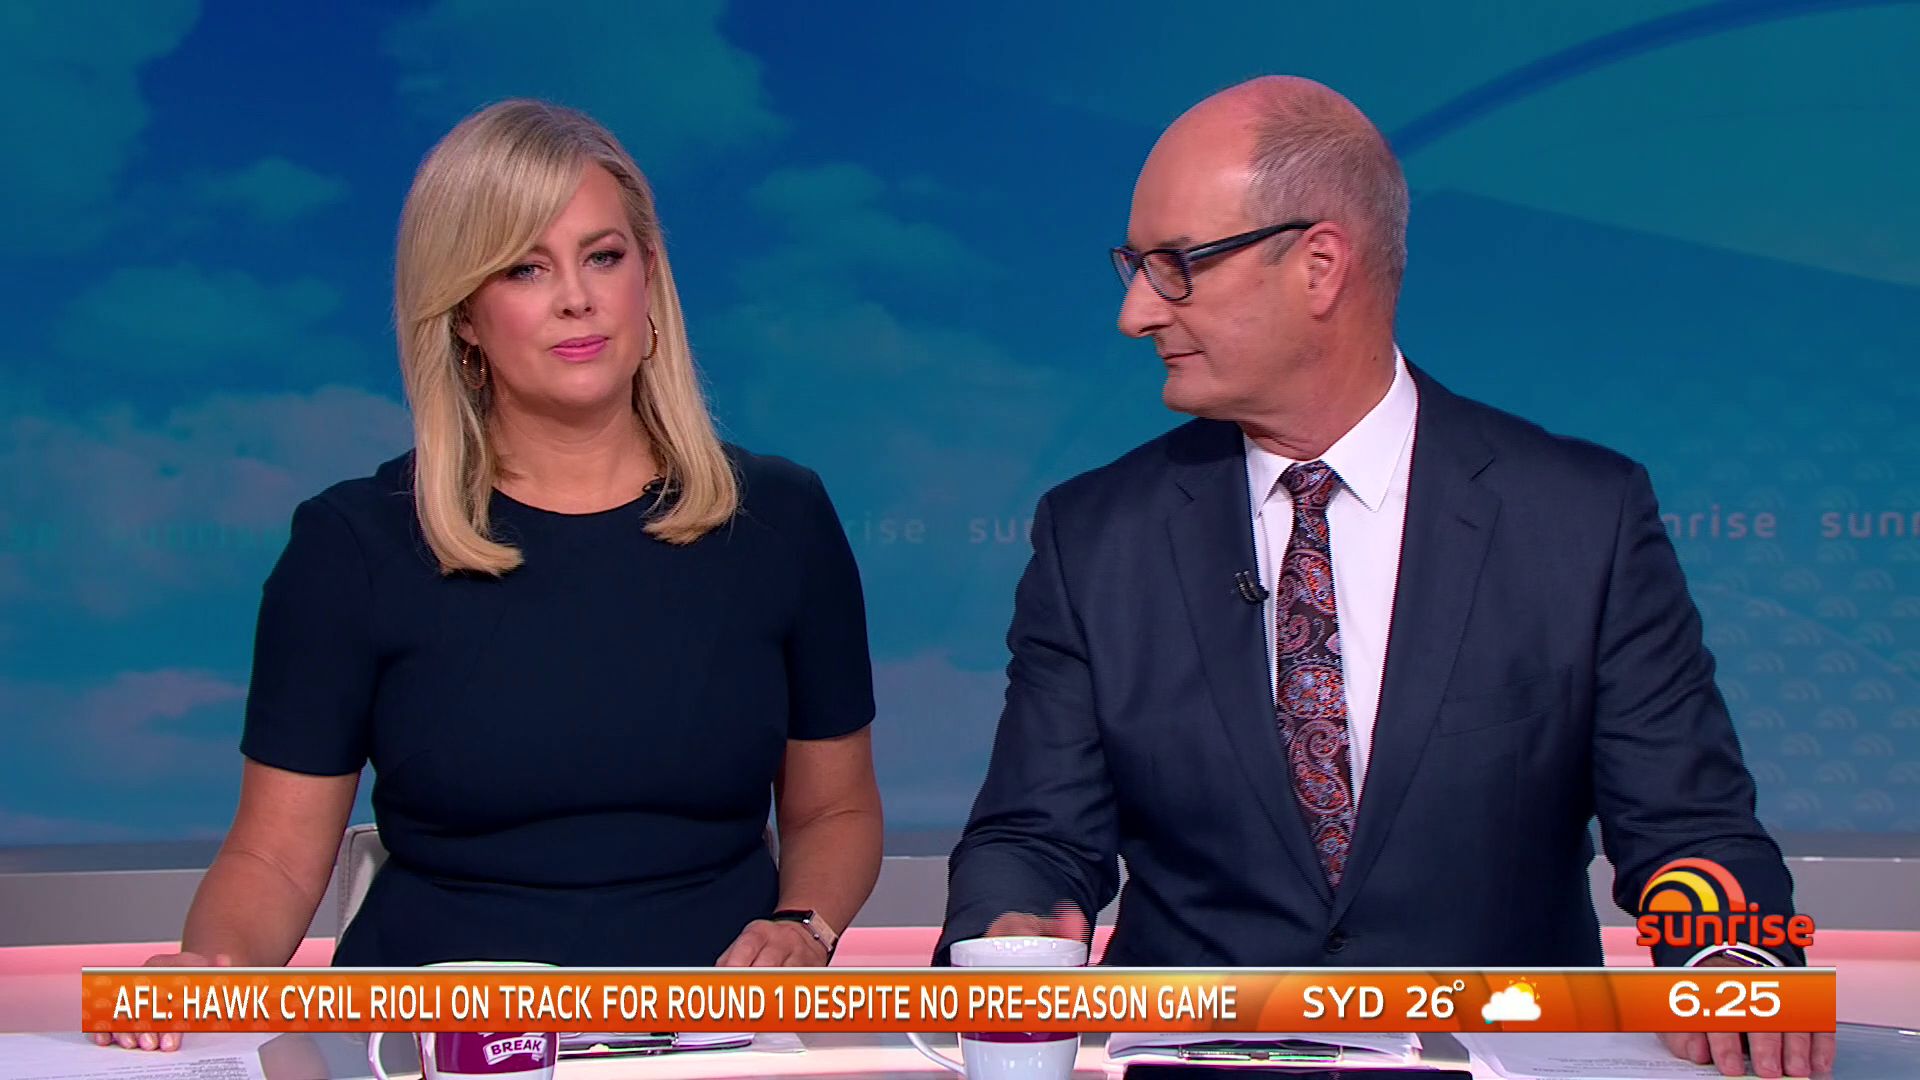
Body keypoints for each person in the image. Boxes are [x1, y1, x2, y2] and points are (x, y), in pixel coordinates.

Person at [936, 77, 1831, 1078]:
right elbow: (1034, 835)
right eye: (1134, 268)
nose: (1135, 312)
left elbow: (1691, 828)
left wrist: (1732, 961)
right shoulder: (1096, 536)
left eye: (1175, 267)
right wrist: (1013, 932)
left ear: (1320, 266)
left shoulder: (1581, 519)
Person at [99, 100, 882, 1053]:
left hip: (711, 1039)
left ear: (649, 279)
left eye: (603, 257)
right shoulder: (352, 545)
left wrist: (804, 928)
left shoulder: (780, 520)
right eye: (524, 268)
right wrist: (210, 971)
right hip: (428, 1046)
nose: (576, 299)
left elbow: (836, 807)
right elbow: (273, 856)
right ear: (464, 314)